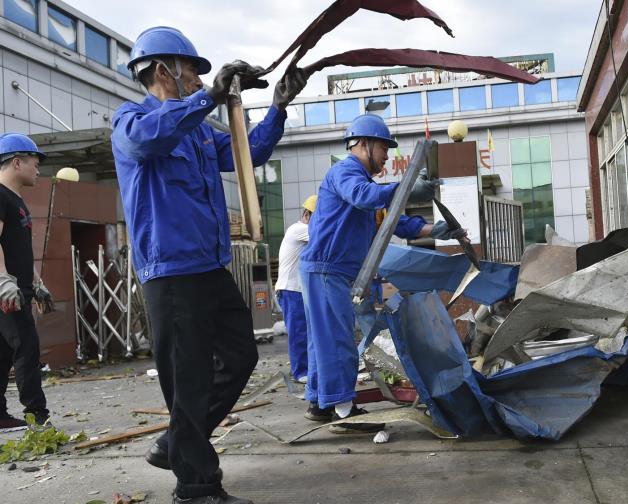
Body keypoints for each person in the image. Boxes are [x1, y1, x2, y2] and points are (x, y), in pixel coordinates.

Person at [111, 26, 306, 504]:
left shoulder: (197, 129)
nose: (200, 83)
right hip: (172, 272)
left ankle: (178, 440)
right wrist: (208, 99)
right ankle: (196, 487)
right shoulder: (131, 120)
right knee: (191, 377)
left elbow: (247, 152)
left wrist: (278, 108)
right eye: (194, 74)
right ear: (163, 71)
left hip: (210, 266)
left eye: (204, 77)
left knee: (241, 355)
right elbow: (147, 142)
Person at [299, 114, 465, 432]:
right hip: (326, 269)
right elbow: (366, 198)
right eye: (383, 148)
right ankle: (344, 412)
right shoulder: (346, 172)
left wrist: (440, 230)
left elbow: (396, 222)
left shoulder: (364, 184)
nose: (387, 156)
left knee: (323, 340)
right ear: (364, 144)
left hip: (332, 272)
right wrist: (405, 188)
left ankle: (320, 404)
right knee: (336, 340)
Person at [0, 133, 53, 431]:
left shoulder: (15, 201)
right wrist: (3, 280)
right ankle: (38, 415)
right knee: (27, 348)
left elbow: (18, 248)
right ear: (16, 162)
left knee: (4, 352)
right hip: (6, 291)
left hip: (16, 288)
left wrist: (37, 282)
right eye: (34, 162)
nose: (37, 169)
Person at [275, 195, 316, 385]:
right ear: (307, 214)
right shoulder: (299, 229)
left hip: (297, 289)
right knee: (298, 331)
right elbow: (327, 235)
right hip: (291, 289)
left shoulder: (304, 230)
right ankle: (300, 372)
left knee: (306, 331)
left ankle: (306, 368)